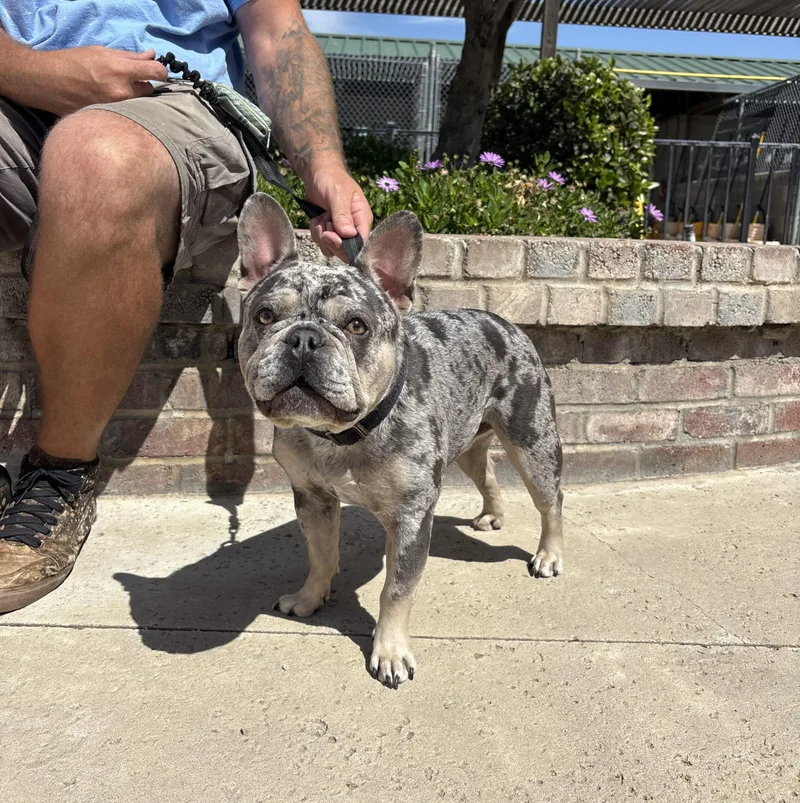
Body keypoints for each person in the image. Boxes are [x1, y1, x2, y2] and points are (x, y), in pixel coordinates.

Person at [0, 0, 373, 613]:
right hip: (13, 90)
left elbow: (278, 28)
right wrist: (33, 74)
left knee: (98, 155)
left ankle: (58, 474)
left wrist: (322, 162)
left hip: (171, 105)